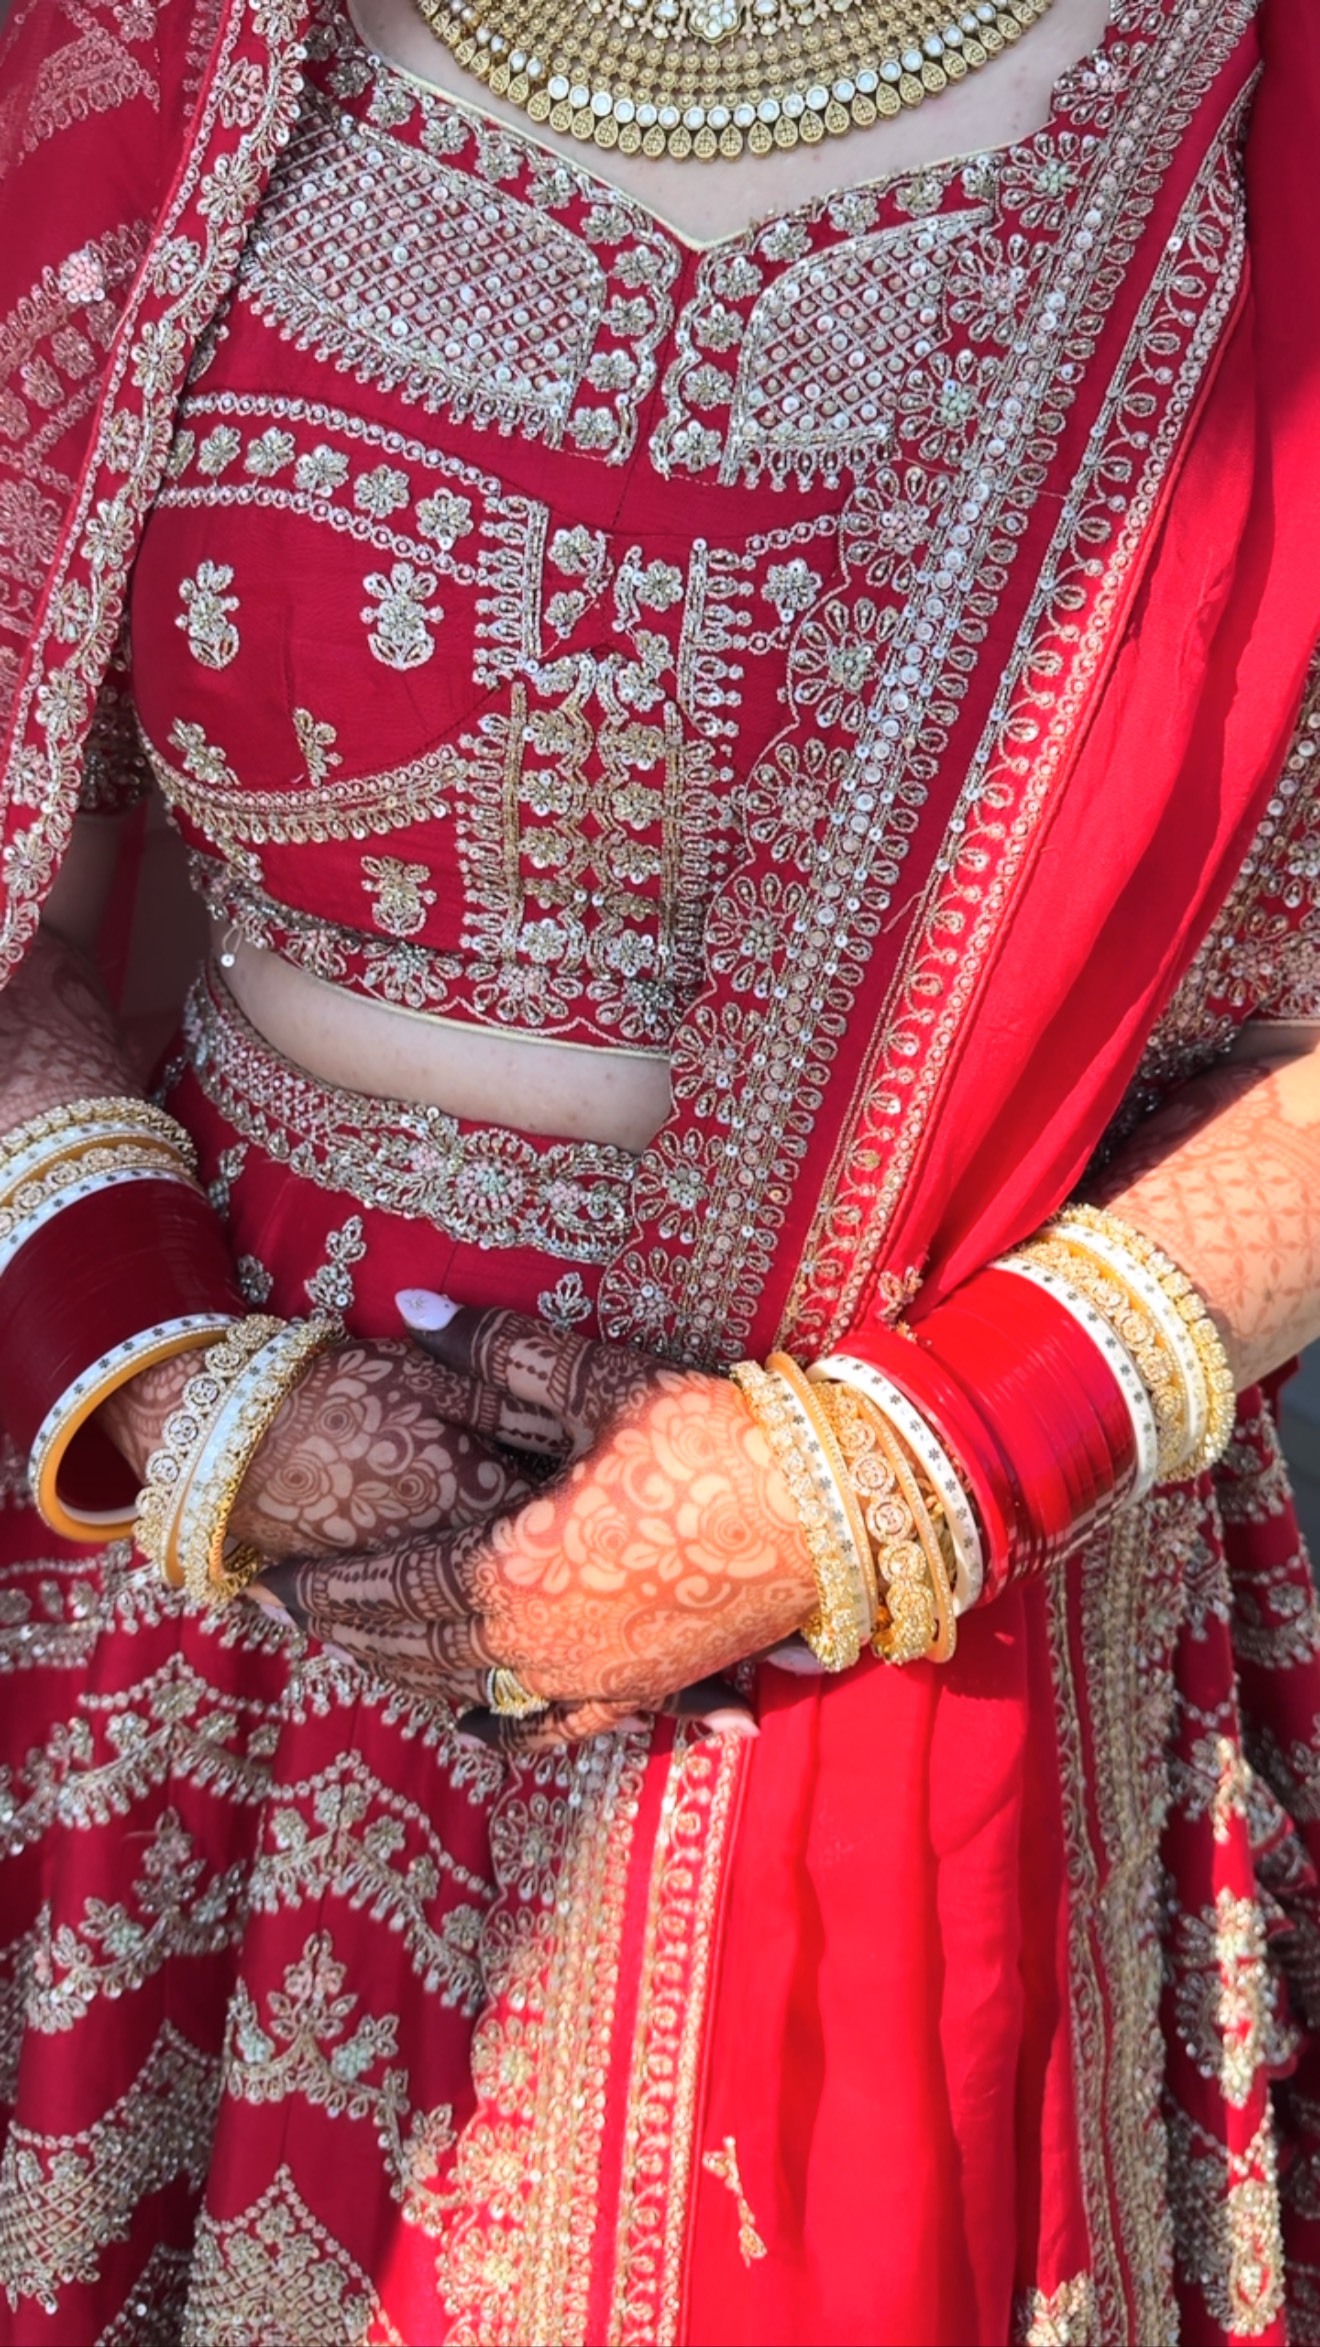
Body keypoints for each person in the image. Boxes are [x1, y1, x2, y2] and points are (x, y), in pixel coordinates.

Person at [0, 0, 1318, 2333]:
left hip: (913, 1597)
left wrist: (882, 1479)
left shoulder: (1256, 119)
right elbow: (31, 858)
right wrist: (179, 1392)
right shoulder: (142, 62)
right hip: (196, 1571)